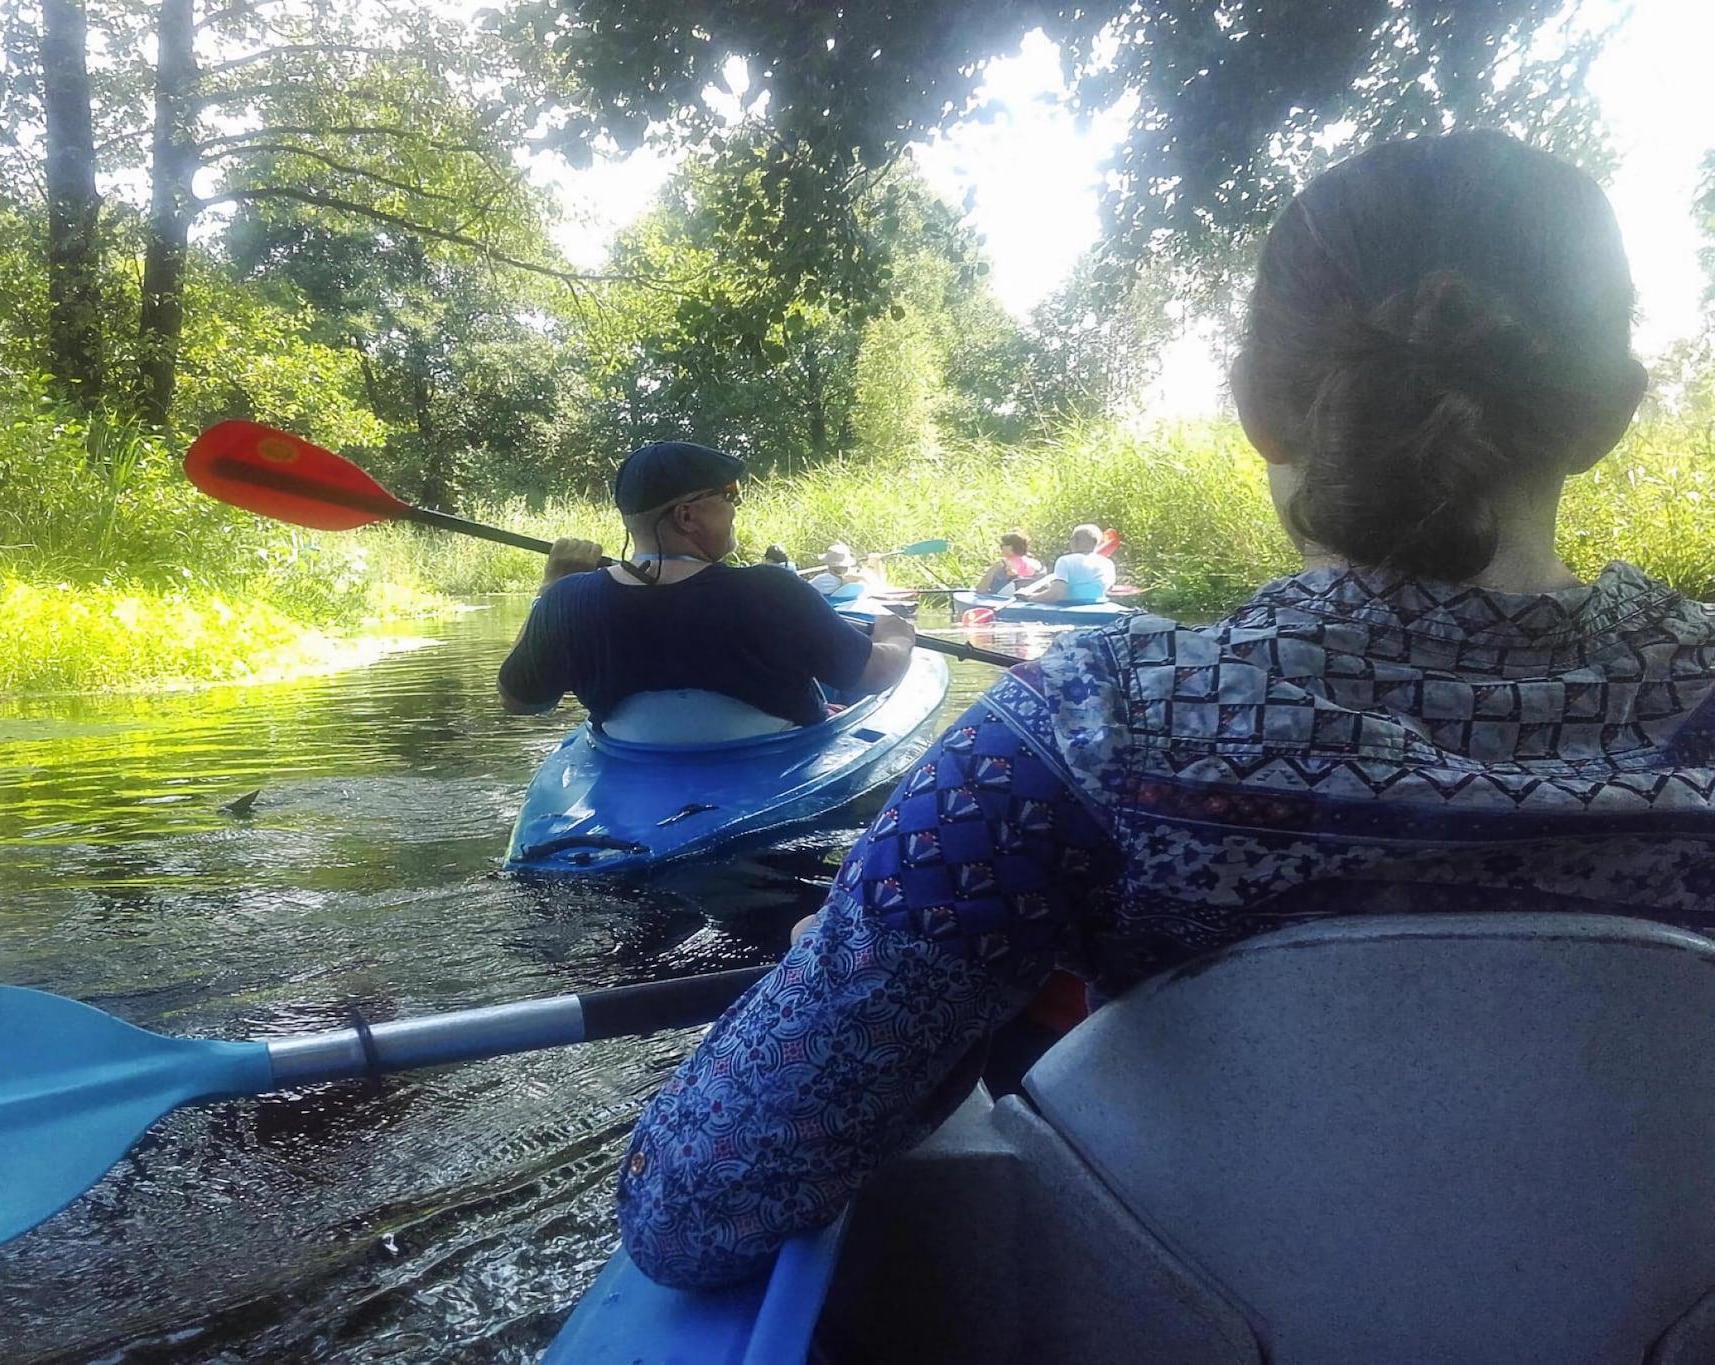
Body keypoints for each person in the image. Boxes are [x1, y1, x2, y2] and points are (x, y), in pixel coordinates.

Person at [616, 129, 1715, 1290]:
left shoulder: (1089, 729)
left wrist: (848, 979)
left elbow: (695, 1205)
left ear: (1254, 409)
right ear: (1607, 411)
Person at [498, 441, 914, 743]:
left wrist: (549, 588)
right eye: (729, 495)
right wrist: (897, 634)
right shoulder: (772, 591)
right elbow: (876, 675)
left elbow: (521, 701)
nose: (736, 507)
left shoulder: (568, 599)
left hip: (634, 773)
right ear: (686, 516)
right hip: (769, 765)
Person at [1015, 523, 1115, 604]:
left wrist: (1029, 597)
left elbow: (1056, 594)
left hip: (1069, 609)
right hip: (1098, 605)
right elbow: (1108, 588)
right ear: (1096, 542)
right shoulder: (1108, 563)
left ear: (1074, 541)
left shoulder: (1065, 560)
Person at [973, 532, 1044, 595]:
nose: (1001, 548)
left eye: (1002, 545)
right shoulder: (1037, 564)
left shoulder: (1001, 565)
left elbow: (980, 590)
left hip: (1003, 600)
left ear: (1011, 547)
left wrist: (991, 570)